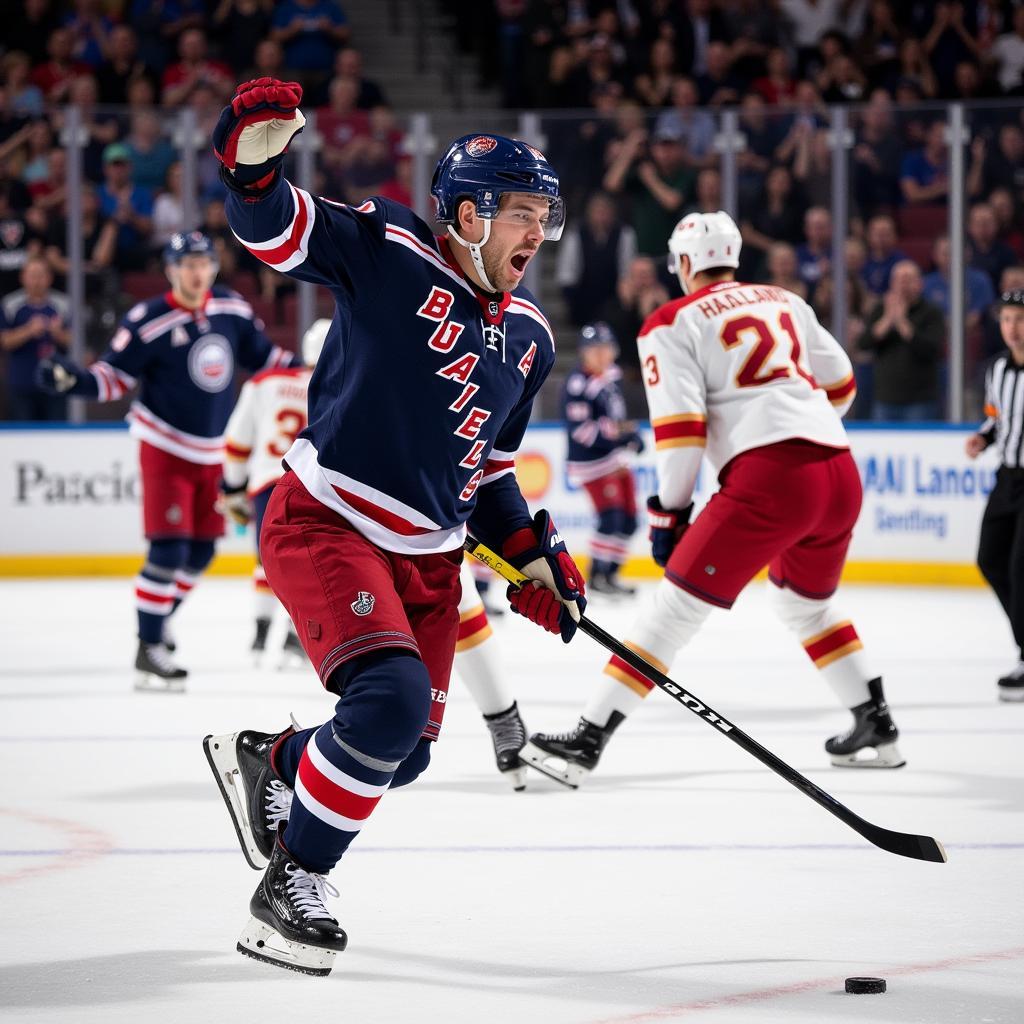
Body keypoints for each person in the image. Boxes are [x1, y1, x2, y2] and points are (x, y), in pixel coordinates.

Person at [202, 79, 584, 976]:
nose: (538, 234)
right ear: (464, 213)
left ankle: (276, 760)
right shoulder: (393, 246)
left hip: (430, 561)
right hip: (326, 519)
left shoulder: (531, 336)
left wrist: (535, 562)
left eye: (546, 217)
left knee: (398, 755)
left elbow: (489, 474)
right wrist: (250, 168)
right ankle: (289, 886)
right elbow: (276, 229)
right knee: (389, 705)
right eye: (521, 213)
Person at [526, 210, 904, 788]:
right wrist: (802, 422)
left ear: (682, 264)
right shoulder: (783, 299)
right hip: (838, 470)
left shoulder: (669, 321)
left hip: (772, 480)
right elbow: (843, 382)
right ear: (733, 257)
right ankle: (874, 719)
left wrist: (669, 512)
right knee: (804, 605)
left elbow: (680, 431)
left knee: (670, 611)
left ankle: (588, 738)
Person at [35, 231, 296, 688]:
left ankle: (157, 623)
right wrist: (73, 382)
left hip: (212, 453)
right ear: (172, 271)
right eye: (188, 265)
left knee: (200, 551)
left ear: (214, 268)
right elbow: (114, 378)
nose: (197, 272)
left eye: (204, 263)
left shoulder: (231, 309)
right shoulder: (148, 320)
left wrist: (320, 365)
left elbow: (268, 359)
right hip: (165, 446)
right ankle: (148, 647)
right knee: (168, 548)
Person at [221, 317, 328, 665]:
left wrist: (233, 488)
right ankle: (295, 642)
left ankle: (259, 636)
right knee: (312, 567)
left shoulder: (264, 383)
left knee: (265, 561)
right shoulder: (345, 387)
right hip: (317, 488)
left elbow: (237, 443)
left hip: (267, 485)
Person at [966, 289, 1024, 702]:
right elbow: (995, 417)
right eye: (1006, 320)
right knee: (990, 558)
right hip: (1008, 479)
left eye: (1019, 319)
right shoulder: (997, 368)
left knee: (1021, 569)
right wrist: (982, 439)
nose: (1013, 328)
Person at [561, 322, 643, 596]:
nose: (601, 355)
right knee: (611, 517)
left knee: (630, 519)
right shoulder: (578, 383)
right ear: (584, 352)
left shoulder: (610, 378)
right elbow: (581, 430)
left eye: (606, 348)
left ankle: (611, 575)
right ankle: (598, 576)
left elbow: (614, 420)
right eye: (595, 349)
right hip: (592, 463)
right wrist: (619, 438)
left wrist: (629, 434)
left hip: (613, 458)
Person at [857, 259, 945, 421]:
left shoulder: (931, 312)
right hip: (885, 398)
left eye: (908, 280)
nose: (902, 285)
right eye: (898, 280)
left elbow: (931, 349)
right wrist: (888, 319)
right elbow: (864, 344)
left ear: (919, 284)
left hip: (920, 400)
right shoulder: (880, 310)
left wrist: (902, 322)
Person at [1, 256, 70, 421]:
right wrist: (28, 331)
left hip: (56, 383)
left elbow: (75, 341)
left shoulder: (63, 304)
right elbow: (4, 341)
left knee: (57, 437)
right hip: (21, 383)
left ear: (49, 278)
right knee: (23, 437)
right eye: (32, 275)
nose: (37, 281)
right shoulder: (10, 305)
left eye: (41, 275)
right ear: (23, 277)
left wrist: (57, 332)